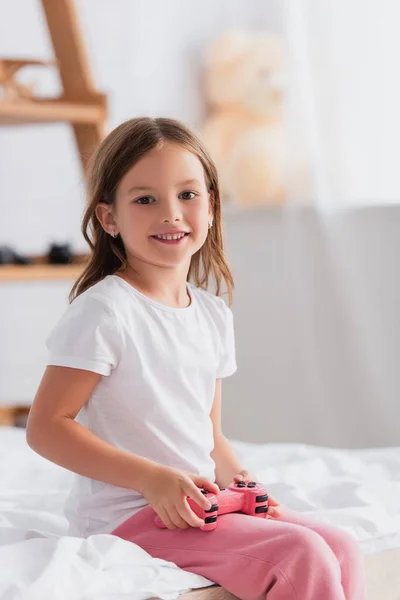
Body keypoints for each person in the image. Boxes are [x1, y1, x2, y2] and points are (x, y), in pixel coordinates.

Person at [26, 117, 366, 599]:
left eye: (187, 195)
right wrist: (151, 480)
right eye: (145, 199)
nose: (171, 214)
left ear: (210, 207)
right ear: (109, 219)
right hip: (130, 517)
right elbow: (46, 426)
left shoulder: (211, 315)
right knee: (301, 553)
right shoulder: (105, 312)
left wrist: (243, 481)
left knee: (340, 546)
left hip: (201, 506)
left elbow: (209, 434)